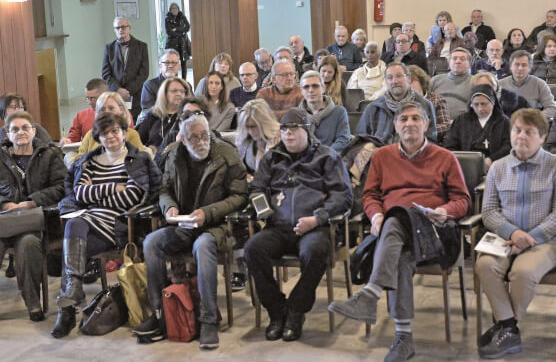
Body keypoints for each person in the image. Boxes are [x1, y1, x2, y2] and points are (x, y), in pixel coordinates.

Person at [329, 102, 469, 362]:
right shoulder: (382, 156)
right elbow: (370, 196)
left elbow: (462, 200)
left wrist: (444, 211)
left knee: (396, 218)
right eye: (403, 119)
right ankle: (403, 338)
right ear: (395, 125)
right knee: (400, 254)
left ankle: (370, 294)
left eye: (416, 118)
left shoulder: (445, 157)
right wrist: (376, 215)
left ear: (426, 124)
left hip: (433, 233)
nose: (409, 124)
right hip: (395, 237)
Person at [135, 113, 248, 350]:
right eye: (194, 138)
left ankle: (208, 319)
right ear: (183, 139)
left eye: (204, 135)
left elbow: (239, 196)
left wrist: (208, 212)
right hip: (184, 224)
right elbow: (164, 190)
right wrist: (169, 207)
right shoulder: (174, 155)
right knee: (151, 243)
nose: (201, 141)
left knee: (202, 246)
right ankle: (160, 314)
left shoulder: (227, 155)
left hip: (217, 226)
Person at [245, 108, 352, 342]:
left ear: (307, 130)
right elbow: (257, 189)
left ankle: (295, 311)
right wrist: (264, 210)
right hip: (278, 228)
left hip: (314, 228)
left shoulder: (326, 156)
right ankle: (277, 311)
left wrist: (317, 218)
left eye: (294, 129)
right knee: (252, 249)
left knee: (315, 251)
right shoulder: (272, 158)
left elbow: (342, 196)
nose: (288, 134)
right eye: (284, 129)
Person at [475, 109, 556, 359]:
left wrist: (530, 238)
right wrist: (514, 233)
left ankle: (506, 326)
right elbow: (489, 211)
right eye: (517, 130)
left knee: (523, 272)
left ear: (542, 138)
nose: (521, 136)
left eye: (529, 132)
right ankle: (508, 327)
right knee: (485, 265)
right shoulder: (498, 168)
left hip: (547, 241)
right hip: (506, 237)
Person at [52, 112, 161, 338]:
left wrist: (95, 192)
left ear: (124, 133)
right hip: (88, 221)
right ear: (98, 137)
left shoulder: (138, 160)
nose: (110, 136)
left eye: (115, 131)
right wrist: (114, 187)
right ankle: (71, 298)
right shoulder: (89, 161)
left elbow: (131, 197)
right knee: (73, 237)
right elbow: (80, 194)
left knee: (72, 241)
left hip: (118, 225)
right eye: (104, 133)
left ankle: (67, 311)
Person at [0, 111, 67, 329]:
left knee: (28, 243)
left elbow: (62, 186)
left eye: (25, 128)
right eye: (15, 129)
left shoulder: (50, 154)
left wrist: (32, 201)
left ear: (34, 131)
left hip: (33, 221)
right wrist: (3, 203)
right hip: (2, 220)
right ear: (7, 134)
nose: (20, 132)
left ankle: (33, 303)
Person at [358, 62, 437, 144]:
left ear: (408, 78)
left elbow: (431, 140)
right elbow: (360, 140)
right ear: (386, 81)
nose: (394, 81)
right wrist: (368, 147)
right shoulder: (373, 108)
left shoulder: (425, 105)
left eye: (399, 76)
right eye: (390, 78)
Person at [443, 85, 511, 169]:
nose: (480, 108)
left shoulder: (504, 121)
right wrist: (462, 161)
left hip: (495, 165)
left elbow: (508, 146)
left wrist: (492, 159)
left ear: (493, 102)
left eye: (484, 104)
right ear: (471, 104)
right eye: (476, 104)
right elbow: (450, 144)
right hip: (465, 166)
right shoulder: (461, 120)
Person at [0, 93, 52, 167]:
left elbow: (51, 151)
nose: (18, 110)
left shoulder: (35, 128)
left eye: (20, 107)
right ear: (2, 109)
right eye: (13, 107)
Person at [102, 17, 150, 123]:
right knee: (117, 121)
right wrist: (118, 89)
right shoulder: (109, 48)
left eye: (123, 27)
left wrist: (128, 91)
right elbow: (105, 74)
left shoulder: (142, 46)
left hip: (135, 93)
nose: (121, 30)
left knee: (134, 122)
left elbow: (144, 72)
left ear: (129, 28)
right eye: (117, 28)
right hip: (115, 94)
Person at [74, 91, 146, 161]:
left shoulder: (132, 135)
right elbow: (79, 161)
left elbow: (141, 161)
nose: (107, 112)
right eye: (102, 109)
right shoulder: (90, 135)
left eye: (111, 108)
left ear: (121, 109)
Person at [299, 71, 350, 152]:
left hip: (331, 156)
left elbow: (343, 140)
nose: (310, 90)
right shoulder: (296, 115)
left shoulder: (339, 112)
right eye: (306, 87)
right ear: (301, 91)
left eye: (315, 86)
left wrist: (324, 155)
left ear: (323, 88)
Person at [499, 50, 556, 120]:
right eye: (517, 64)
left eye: (524, 65)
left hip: (531, 122)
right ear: (511, 67)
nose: (520, 68)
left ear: (529, 68)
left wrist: (534, 117)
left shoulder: (540, 84)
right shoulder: (499, 84)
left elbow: (552, 109)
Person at [136, 77, 191, 151]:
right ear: (164, 94)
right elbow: (138, 141)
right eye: (174, 91)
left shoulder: (188, 116)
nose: (179, 94)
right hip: (153, 155)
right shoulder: (153, 115)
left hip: (178, 156)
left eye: (182, 91)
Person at [235, 99, 280, 176]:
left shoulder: (281, 140)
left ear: (264, 124)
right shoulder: (245, 139)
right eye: (247, 127)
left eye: (253, 126)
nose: (250, 131)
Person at [140, 49, 189, 119]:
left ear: (178, 66)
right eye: (167, 63)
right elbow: (147, 111)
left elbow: (192, 105)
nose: (171, 66)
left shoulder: (186, 85)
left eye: (174, 63)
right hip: (159, 123)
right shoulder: (150, 85)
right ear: (160, 66)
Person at [61, 78, 108, 146]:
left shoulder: (119, 114)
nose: (89, 102)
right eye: (87, 98)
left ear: (106, 96)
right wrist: (67, 142)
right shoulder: (81, 116)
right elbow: (73, 140)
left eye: (93, 98)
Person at [408, 65, 451, 140]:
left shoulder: (436, 99)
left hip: (430, 140)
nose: (408, 85)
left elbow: (445, 126)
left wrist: (424, 131)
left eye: (411, 81)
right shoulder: (400, 102)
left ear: (421, 82)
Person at [429, 47, 474, 119]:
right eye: (454, 58)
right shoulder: (435, 80)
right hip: (436, 122)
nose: (458, 61)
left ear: (470, 64)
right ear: (449, 62)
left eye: (462, 59)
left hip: (463, 123)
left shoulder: (475, 82)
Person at [530, 33, 556, 100]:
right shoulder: (534, 61)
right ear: (543, 47)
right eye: (549, 46)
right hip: (536, 95)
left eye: (555, 46)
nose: (552, 49)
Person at [164, 3, 191, 79]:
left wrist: (176, 29)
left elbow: (187, 27)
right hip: (172, 44)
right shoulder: (167, 19)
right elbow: (169, 32)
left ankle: (184, 81)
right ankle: (175, 80)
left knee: (183, 64)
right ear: (170, 10)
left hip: (182, 43)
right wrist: (181, 33)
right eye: (173, 8)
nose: (174, 10)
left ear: (178, 9)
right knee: (174, 63)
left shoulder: (182, 17)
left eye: (176, 8)